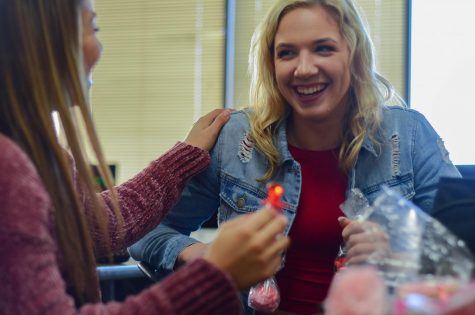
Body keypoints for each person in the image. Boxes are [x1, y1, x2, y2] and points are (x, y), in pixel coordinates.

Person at [129, 0, 460, 314]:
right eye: (286, 53)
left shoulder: (409, 135)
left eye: (323, 48)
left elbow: (463, 255)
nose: (303, 69)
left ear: (354, 55)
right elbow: (144, 232)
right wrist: (211, 258)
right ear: (271, 64)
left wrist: (400, 252)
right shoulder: (236, 139)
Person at [0, 0, 291, 314]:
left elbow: (104, 226)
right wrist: (214, 272)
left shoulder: (45, 155)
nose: (99, 47)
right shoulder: (9, 169)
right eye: (92, 28)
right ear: (41, 40)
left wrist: (185, 155)